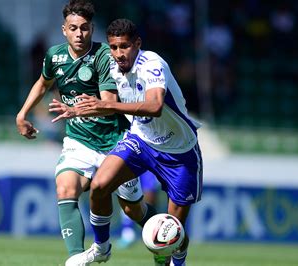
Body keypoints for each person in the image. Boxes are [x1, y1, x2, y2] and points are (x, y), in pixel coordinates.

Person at [49, 18, 203, 266]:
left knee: (173, 230)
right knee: (100, 185)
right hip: (140, 141)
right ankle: (100, 248)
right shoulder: (111, 66)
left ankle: (176, 261)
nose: (118, 53)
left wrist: (107, 104)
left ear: (137, 44)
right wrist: (79, 110)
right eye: (113, 47)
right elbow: (108, 106)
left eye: (124, 46)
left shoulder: (151, 63)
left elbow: (154, 106)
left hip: (179, 152)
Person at [15, 2, 157, 265]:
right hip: (78, 142)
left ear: (92, 29)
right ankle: (77, 257)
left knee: (133, 209)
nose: (79, 34)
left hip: (114, 142)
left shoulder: (104, 57)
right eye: (73, 28)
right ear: (64, 30)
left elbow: (108, 105)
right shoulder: (54, 56)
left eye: (84, 28)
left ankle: (165, 242)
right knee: (65, 188)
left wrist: (75, 110)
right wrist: (22, 114)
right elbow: (43, 83)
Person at [116, 171, 160, 249]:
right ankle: (127, 232)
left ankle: (150, 233)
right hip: (132, 161)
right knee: (127, 195)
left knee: (150, 195)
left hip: (150, 162)